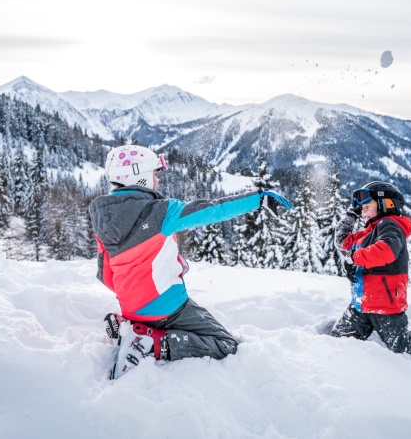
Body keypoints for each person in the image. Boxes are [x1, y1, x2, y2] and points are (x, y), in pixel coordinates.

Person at [89, 144, 293, 379]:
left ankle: (130, 326)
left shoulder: (102, 218)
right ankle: (154, 344)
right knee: (225, 344)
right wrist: (259, 200)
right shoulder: (160, 211)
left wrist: (135, 293)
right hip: (168, 307)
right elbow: (211, 210)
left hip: (131, 307)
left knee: (151, 315)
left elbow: (105, 276)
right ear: (141, 177)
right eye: (155, 174)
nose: (158, 181)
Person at [330, 181, 411, 353]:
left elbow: (386, 250)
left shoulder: (389, 225)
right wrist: (351, 215)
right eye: (361, 209)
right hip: (360, 306)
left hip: (385, 307)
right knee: (335, 343)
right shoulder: (367, 233)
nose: (362, 212)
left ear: (386, 204)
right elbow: (342, 242)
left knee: (405, 350)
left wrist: (354, 259)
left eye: (366, 207)